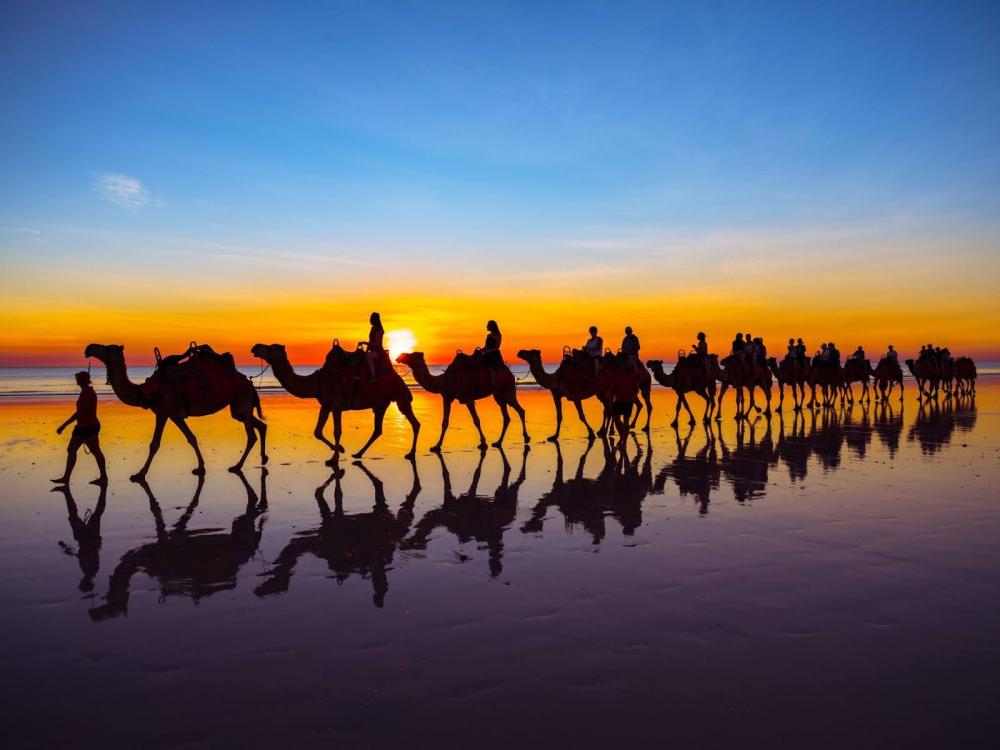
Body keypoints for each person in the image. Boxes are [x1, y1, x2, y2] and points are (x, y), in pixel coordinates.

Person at [52, 371, 108, 485]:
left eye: (77, 378)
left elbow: (79, 413)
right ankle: (66, 477)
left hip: (89, 427)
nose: (76, 380)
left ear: (82, 380)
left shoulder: (88, 393)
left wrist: (64, 425)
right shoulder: (84, 392)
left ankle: (103, 478)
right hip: (82, 426)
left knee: (95, 452)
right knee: (72, 450)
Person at [364, 311, 385, 378]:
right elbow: (370, 340)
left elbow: (377, 344)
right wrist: (366, 351)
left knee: (369, 356)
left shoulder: (380, 330)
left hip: (378, 352)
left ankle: (373, 376)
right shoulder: (372, 328)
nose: (370, 320)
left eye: (371, 319)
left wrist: (365, 343)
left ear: (374, 320)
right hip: (372, 351)